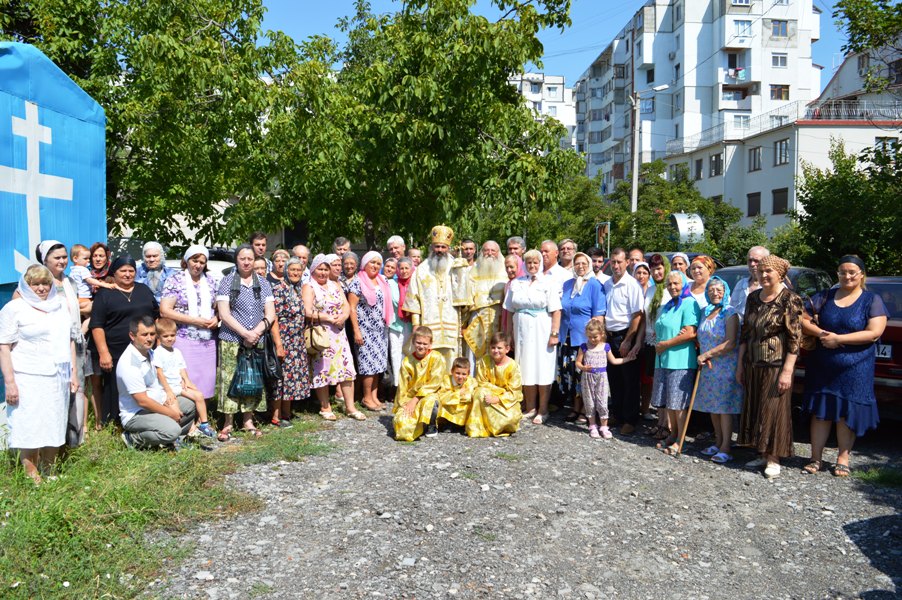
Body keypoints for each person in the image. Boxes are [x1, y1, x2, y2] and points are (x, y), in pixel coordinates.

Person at [800, 255, 887, 477]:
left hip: (855, 367)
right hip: (823, 365)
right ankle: (815, 457)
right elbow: (802, 317)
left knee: (846, 413)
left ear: (861, 275)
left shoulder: (871, 300)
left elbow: (874, 332)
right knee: (821, 411)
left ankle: (843, 458)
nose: (846, 276)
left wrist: (839, 340)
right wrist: (821, 333)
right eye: (842, 272)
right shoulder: (826, 296)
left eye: (851, 272)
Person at [0, 265, 77, 484]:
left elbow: (69, 339)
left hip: (58, 375)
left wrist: (73, 373)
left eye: (46, 284)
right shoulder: (14, 308)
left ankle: (49, 470)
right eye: (36, 284)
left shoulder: (60, 305)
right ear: (26, 285)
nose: (42, 289)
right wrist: (10, 383)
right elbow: (3, 346)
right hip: (27, 375)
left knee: (54, 421)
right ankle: (31, 475)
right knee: (30, 423)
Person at [736, 255, 803, 479]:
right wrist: (740, 365)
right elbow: (745, 332)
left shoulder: (789, 299)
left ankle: (774, 457)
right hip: (753, 362)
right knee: (756, 408)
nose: (763, 275)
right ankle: (762, 452)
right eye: (761, 271)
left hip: (776, 364)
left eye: (768, 271)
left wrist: (788, 371)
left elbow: (795, 338)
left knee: (774, 411)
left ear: (780, 274)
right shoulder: (753, 298)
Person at [216, 244, 276, 439]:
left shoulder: (264, 284)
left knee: (251, 379)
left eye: (250, 258)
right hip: (231, 339)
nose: (247, 262)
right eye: (243, 258)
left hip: (256, 339)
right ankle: (228, 422)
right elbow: (224, 314)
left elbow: (270, 314)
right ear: (237, 260)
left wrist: (255, 333)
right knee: (229, 379)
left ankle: (248, 421)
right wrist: (245, 333)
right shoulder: (226, 282)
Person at [90, 255, 158, 425]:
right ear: (114, 272)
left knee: (143, 383)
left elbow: (156, 316)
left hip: (144, 348)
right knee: (115, 387)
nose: (127, 274)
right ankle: (114, 422)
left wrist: (155, 340)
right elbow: (97, 325)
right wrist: (103, 353)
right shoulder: (104, 294)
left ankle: (145, 416)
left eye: (131, 271)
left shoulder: (143, 289)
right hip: (115, 350)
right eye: (123, 271)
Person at [36, 240, 90, 444]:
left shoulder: (70, 282)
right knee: (55, 392)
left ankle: (73, 443)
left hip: (73, 344)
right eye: (56, 258)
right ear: (45, 260)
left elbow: (75, 311)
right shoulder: (40, 284)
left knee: (76, 389)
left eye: (64, 257)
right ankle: (51, 442)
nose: (62, 261)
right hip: (51, 346)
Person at [118, 316, 196, 449]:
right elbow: (142, 401)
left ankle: (173, 441)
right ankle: (133, 438)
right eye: (144, 335)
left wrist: (181, 382)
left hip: (158, 402)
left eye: (152, 334)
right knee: (172, 430)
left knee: (189, 405)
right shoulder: (129, 363)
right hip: (136, 413)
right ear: (132, 335)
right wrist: (170, 413)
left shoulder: (151, 353)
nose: (149, 338)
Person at [503, 249, 561, 424]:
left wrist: (554, 334)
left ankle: (543, 409)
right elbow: (508, 309)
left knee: (542, 367)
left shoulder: (549, 282)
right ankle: (530, 407)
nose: (532, 266)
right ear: (525, 265)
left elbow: (556, 310)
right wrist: (508, 335)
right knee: (525, 366)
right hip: (521, 328)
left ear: (540, 263)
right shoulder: (516, 283)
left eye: (535, 262)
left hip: (542, 327)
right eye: (529, 263)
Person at [303, 254, 363, 421]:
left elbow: (345, 306)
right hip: (322, 333)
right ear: (313, 270)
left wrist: (343, 317)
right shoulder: (309, 287)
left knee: (346, 368)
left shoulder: (335, 284)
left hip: (339, 333)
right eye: (320, 269)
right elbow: (307, 311)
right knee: (322, 368)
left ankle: (350, 407)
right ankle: (325, 406)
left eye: (325, 269)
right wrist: (328, 318)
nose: (323, 272)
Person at [160, 245, 219, 407]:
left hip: (207, 340)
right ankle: (188, 417)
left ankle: (203, 418)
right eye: (195, 260)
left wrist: (217, 318)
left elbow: (219, 308)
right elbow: (165, 311)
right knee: (186, 379)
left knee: (206, 379)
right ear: (186, 260)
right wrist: (195, 320)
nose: (198, 265)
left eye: (202, 262)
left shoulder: (211, 281)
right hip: (183, 338)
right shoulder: (175, 279)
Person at [403, 225, 468, 369]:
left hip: (452, 324)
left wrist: (464, 323)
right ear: (432, 247)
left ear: (448, 248)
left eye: (443, 247)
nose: (440, 250)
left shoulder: (457, 267)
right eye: (437, 246)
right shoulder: (421, 270)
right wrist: (416, 325)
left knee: (452, 361)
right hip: (429, 325)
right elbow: (414, 299)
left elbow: (465, 297)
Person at [694, 277, 743, 464]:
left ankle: (726, 447)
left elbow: (730, 342)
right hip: (708, 366)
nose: (715, 292)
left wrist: (707, 354)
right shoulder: (705, 312)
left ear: (725, 291)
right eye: (711, 289)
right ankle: (717, 441)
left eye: (719, 289)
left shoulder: (730, 313)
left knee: (724, 408)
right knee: (713, 407)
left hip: (724, 365)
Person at [651, 271, 700, 454]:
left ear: (684, 284)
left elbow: (690, 332)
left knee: (678, 403)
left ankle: (680, 439)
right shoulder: (669, 305)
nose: (672, 287)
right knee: (669, 402)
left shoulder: (689, 303)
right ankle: (672, 434)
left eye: (676, 284)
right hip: (664, 359)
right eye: (669, 284)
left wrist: (666, 344)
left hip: (680, 360)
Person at [559, 252, 606, 422]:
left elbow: (599, 314)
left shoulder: (595, 285)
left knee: (584, 376)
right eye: (577, 263)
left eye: (583, 264)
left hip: (584, 339)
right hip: (567, 337)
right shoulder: (567, 284)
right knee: (572, 375)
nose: (580, 266)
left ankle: (586, 410)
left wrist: (594, 341)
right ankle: (575, 406)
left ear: (589, 265)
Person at [603, 248, 644, 434]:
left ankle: (630, 420)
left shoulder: (632, 284)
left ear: (627, 262)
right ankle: (617, 414)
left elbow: (637, 315)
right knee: (614, 379)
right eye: (613, 262)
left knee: (630, 380)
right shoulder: (608, 284)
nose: (616, 266)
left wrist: (628, 340)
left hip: (625, 334)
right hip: (610, 335)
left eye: (619, 262)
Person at [152, 318, 215, 438]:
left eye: (172, 335)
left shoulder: (177, 351)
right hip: (166, 389)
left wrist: (188, 381)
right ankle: (176, 437)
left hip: (178, 386)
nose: (170, 338)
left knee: (199, 395)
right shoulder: (158, 352)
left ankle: (203, 424)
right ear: (158, 337)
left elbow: (182, 369)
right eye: (166, 336)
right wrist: (168, 391)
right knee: (176, 412)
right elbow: (159, 373)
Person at [270, 258, 312, 427]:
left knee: (291, 379)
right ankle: (275, 415)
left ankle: (286, 414)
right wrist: (278, 344)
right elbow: (274, 319)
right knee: (280, 378)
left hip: (297, 341)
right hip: (284, 339)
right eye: (292, 269)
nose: (295, 273)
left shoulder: (296, 289)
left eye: (298, 270)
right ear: (286, 270)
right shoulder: (279, 289)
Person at [576, 319, 634, 439]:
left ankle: (604, 426)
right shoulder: (584, 347)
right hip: (588, 378)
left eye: (595, 337)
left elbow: (613, 361)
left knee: (602, 402)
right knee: (589, 402)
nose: (593, 339)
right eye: (590, 337)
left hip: (601, 378)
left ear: (602, 334)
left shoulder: (605, 347)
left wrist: (627, 359)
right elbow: (577, 362)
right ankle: (592, 425)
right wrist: (583, 367)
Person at [348, 251, 391, 411]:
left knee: (378, 365)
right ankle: (366, 398)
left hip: (380, 330)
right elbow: (352, 308)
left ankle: (374, 396)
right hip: (365, 331)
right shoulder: (357, 282)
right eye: (372, 262)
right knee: (368, 366)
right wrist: (356, 331)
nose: (375, 266)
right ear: (365, 264)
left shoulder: (382, 280)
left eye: (378, 263)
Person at [393, 326, 448, 441]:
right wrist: (404, 405)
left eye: (425, 344)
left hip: (431, 394)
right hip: (410, 397)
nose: (421, 346)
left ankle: (431, 424)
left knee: (430, 401)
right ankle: (418, 423)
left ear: (430, 344)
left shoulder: (437, 358)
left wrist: (416, 400)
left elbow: (435, 383)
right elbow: (402, 387)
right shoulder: (407, 362)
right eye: (418, 343)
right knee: (403, 427)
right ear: (413, 342)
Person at [467, 332, 523, 437]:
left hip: (505, 402)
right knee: (479, 393)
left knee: (510, 418)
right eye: (493, 347)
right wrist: (492, 394)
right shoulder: (485, 361)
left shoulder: (513, 366)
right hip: (487, 396)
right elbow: (481, 382)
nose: (496, 351)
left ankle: (494, 426)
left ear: (507, 349)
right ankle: (479, 428)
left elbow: (515, 392)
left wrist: (497, 398)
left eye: (499, 348)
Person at [462, 241, 508, 363]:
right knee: (476, 350)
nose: (489, 253)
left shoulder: (505, 269)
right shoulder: (473, 270)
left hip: (498, 316)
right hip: (478, 316)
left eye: (493, 251)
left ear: (498, 253)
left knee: (497, 349)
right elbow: (467, 295)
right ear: (481, 252)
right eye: (486, 250)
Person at [639, 253, 670, 430]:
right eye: (653, 269)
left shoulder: (671, 287)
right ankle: (660, 421)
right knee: (655, 382)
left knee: (665, 382)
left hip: (666, 342)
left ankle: (666, 423)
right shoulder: (650, 290)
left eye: (659, 268)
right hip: (650, 341)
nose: (656, 272)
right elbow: (645, 318)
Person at [388, 258, 415, 388]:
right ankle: (398, 386)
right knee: (395, 353)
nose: (404, 271)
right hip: (395, 324)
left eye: (406, 268)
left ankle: (410, 383)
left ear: (411, 269)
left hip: (411, 323)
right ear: (397, 270)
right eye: (401, 268)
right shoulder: (391, 283)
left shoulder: (415, 283)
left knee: (409, 352)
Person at [730, 246, 770, 321]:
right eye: (750, 260)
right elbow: (731, 310)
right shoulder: (741, 284)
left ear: (766, 262)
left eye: (756, 261)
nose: (752, 264)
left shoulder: (774, 286)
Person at [438, 356, 476, 429]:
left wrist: (455, 396)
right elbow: (442, 396)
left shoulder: (471, 381)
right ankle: (448, 423)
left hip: (464, 409)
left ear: (468, 373)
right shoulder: (446, 380)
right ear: (452, 371)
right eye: (457, 373)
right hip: (450, 409)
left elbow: (470, 395)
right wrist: (458, 394)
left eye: (464, 374)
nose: (460, 377)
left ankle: (463, 424)